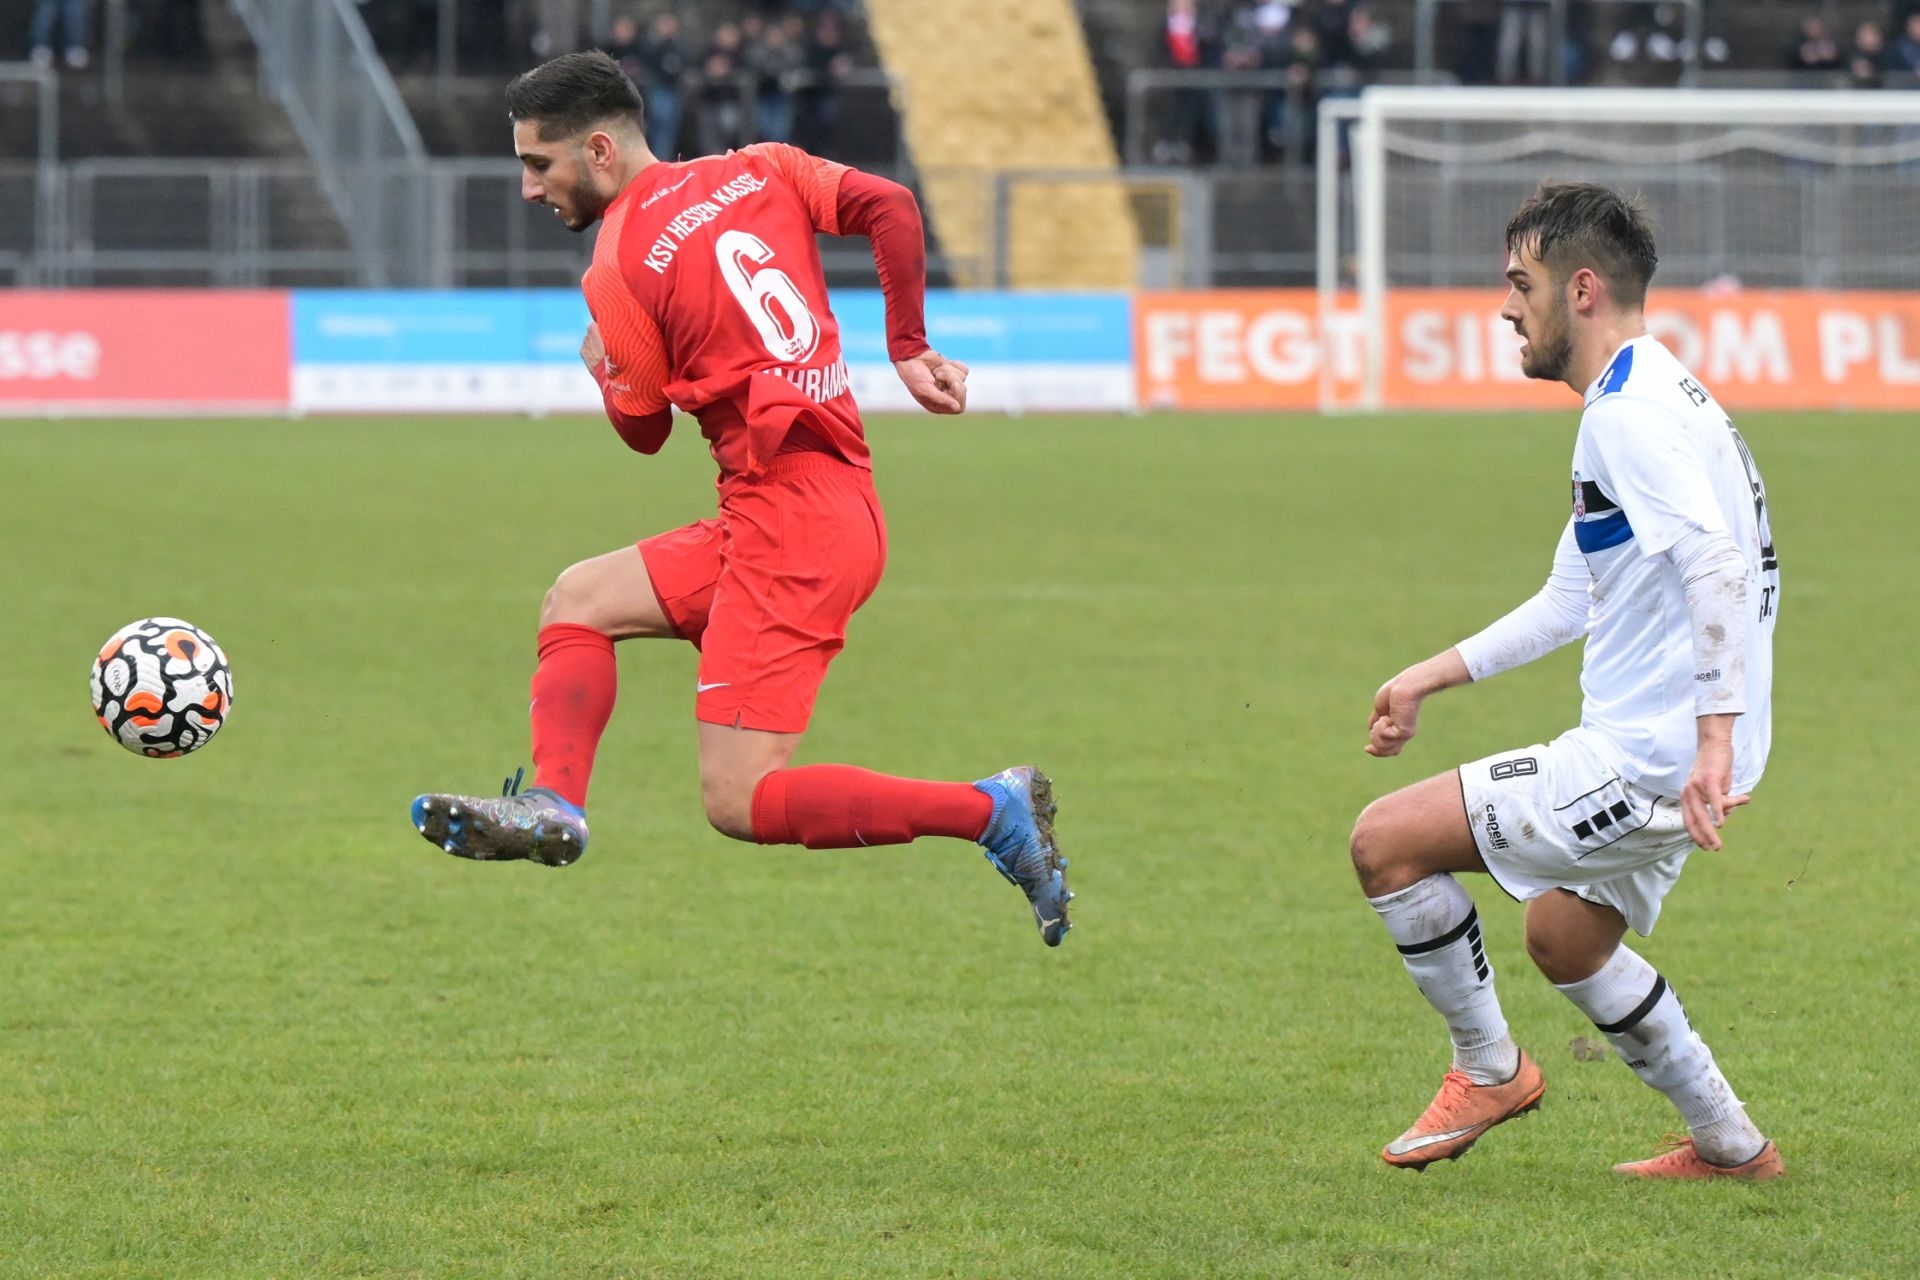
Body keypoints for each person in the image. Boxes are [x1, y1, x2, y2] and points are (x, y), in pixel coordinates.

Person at [409, 52, 1073, 947]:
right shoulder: (759, 166)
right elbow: (890, 205)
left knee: (741, 798)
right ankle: (554, 805)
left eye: (539, 164)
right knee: (580, 601)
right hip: (814, 502)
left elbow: (642, 432)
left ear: (600, 149)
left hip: (788, 528)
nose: (531, 188)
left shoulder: (615, 271)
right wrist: (908, 345)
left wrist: (603, 369)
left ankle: (989, 810)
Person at [1350, 182, 1783, 1179]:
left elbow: (1716, 564)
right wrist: (1428, 675)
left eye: (1520, 284)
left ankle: (1489, 1068)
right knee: (1562, 932)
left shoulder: (1626, 418)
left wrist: (1706, 741)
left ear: (1580, 288)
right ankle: (1731, 1144)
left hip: (1651, 759)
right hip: (1701, 750)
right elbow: (1571, 593)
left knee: (1385, 843)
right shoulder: (1659, 391)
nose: (1507, 308)